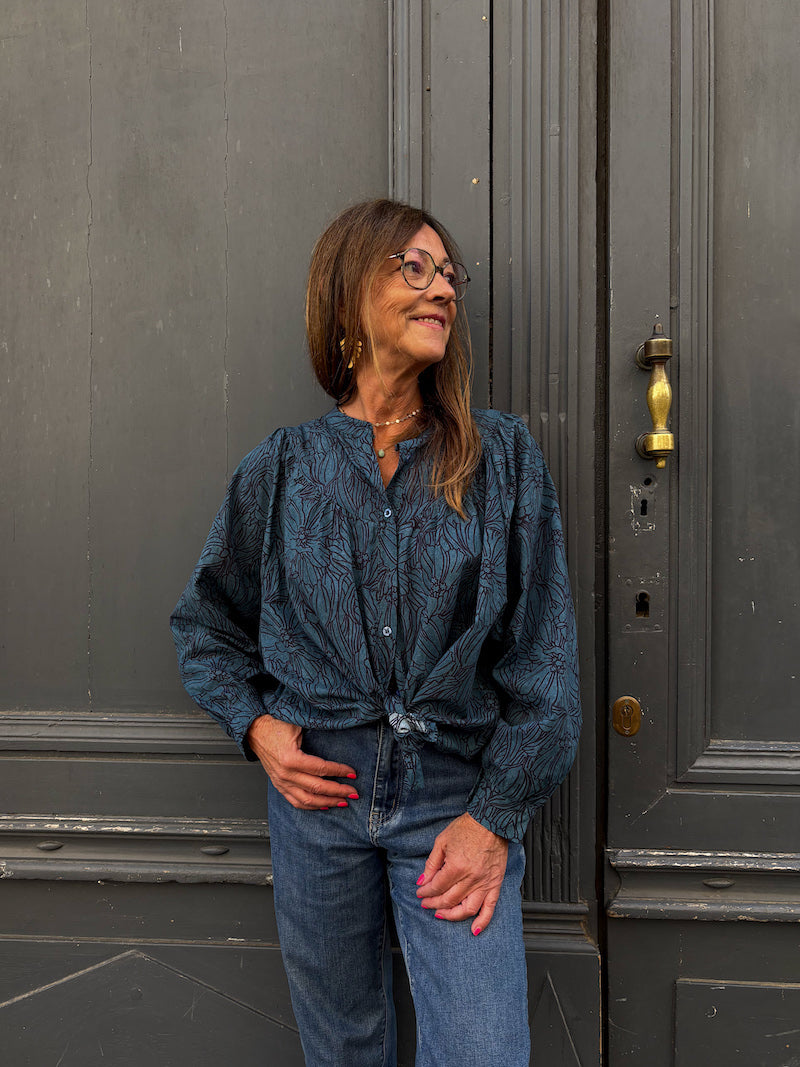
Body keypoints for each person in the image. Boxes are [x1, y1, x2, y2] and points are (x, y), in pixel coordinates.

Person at [170, 198, 581, 1067]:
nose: (443, 291)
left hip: (452, 802)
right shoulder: (283, 467)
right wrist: (258, 728)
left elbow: (545, 662)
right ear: (349, 292)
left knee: (483, 1052)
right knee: (343, 1050)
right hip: (319, 799)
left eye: (449, 275)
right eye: (415, 268)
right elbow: (205, 626)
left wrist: (494, 818)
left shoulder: (500, 458)